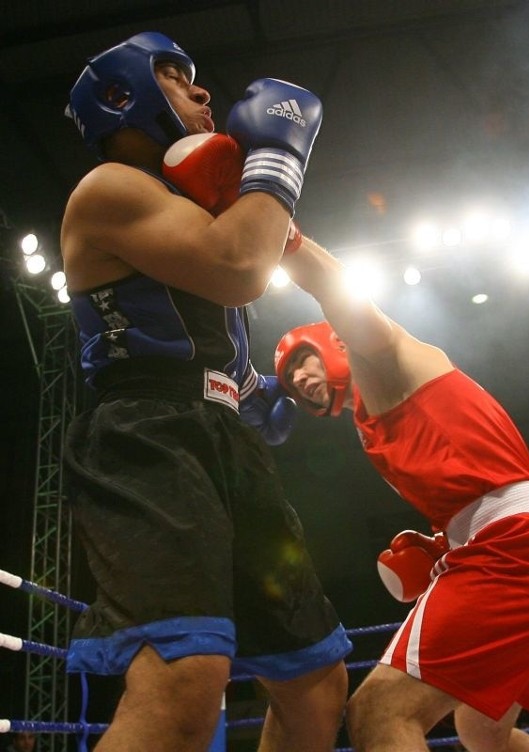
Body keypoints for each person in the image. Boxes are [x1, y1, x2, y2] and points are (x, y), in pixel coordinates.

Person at [60, 32, 352, 752]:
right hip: (148, 438)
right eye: (176, 80)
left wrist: (256, 393)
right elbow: (237, 267)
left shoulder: (190, 208)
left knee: (315, 684)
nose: (204, 94)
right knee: (184, 681)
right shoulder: (110, 187)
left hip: (224, 439)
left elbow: (211, 331)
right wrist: (278, 154)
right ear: (123, 99)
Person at [272, 234, 529, 751]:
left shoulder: (384, 355)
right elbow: (476, 475)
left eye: (302, 361)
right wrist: (445, 543)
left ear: (332, 340)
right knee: (483, 732)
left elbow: (333, 287)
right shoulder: (374, 415)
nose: (300, 379)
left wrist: (285, 237)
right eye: (288, 379)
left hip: (513, 551)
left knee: (379, 710)